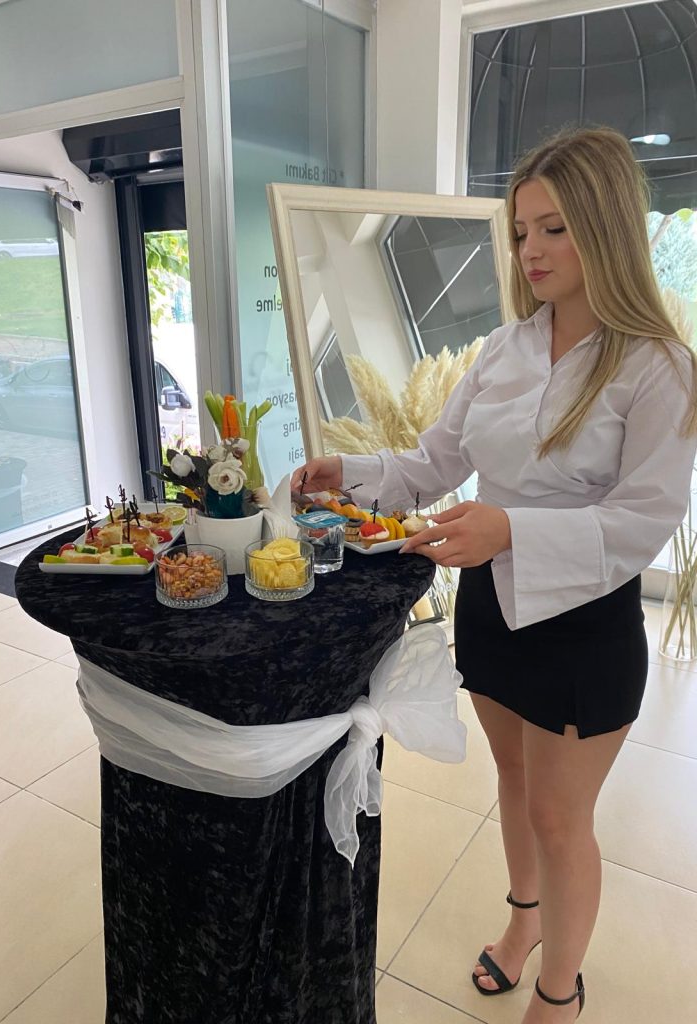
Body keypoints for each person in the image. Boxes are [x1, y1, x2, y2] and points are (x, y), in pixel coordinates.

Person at [290, 126, 697, 1022]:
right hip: (491, 607)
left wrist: (509, 527)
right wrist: (347, 471)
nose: (531, 250)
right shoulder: (504, 351)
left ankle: (561, 990)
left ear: (606, 228)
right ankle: (523, 922)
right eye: (521, 231)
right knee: (513, 785)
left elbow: (642, 523)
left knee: (560, 816)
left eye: (555, 228)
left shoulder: (659, 367)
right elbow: (434, 462)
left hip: (584, 625)